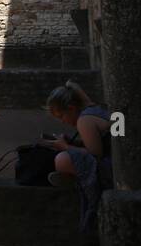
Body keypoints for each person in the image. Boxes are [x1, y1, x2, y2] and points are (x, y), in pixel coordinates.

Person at [44, 80, 113, 234]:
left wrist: (67, 147)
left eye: (62, 116)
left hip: (110, 167)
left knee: (62, 159)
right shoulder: (93, 109)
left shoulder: (84, 120)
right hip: (110, 160)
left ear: (71, 108)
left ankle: (77, 179)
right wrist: (74, 142)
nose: (62, 121)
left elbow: (96, 155)